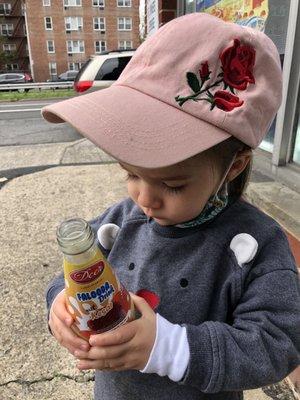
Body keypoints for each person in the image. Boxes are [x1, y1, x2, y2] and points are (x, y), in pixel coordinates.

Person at [42, 12, 300, 400]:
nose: (144, 198)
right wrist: (59, 307)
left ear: (236, 165)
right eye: (130, 173)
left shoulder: (256, 246)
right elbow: (72, 277)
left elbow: (277, 343)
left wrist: (169, 347)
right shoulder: (118, 223)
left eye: (173, 184)